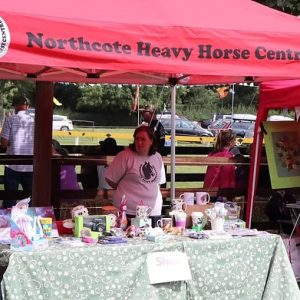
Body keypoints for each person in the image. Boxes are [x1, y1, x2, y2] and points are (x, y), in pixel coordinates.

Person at [105, 126, 166, 226]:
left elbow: (159, 182)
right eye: (137, 139)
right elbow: (110, 179)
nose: (139, 142)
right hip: (128, 212)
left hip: (153, 210)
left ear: (151, 141)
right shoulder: (124, 156)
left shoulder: (157, 157)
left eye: (143, 139)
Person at [0, 96, 34, 208]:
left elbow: (4, 143)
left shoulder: (10, 119)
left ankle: (7, 223)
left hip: (12, 164)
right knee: (30, 198)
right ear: (27, 107)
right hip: (31, 165)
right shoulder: (35, 120)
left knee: (10, 198)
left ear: (15, 106)